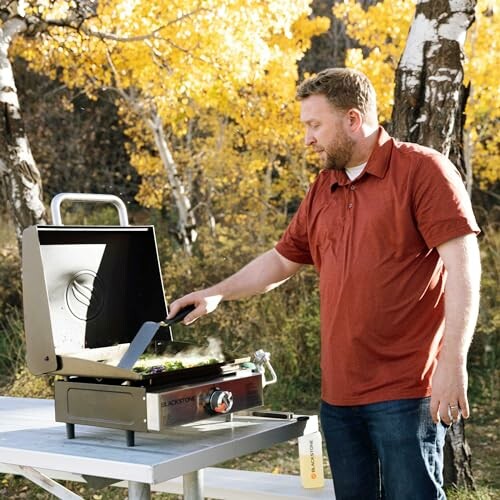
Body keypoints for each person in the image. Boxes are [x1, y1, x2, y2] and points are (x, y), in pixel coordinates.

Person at [168, 68, 481, 499]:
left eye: (315, 125)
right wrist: (216, 292)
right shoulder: (324, 187)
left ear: (353, 120)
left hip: (408, 394)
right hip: (340, 399)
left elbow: (464, 271)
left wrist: (453, 363)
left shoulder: (423, 171)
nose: (307, 139)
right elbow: (281, 261)